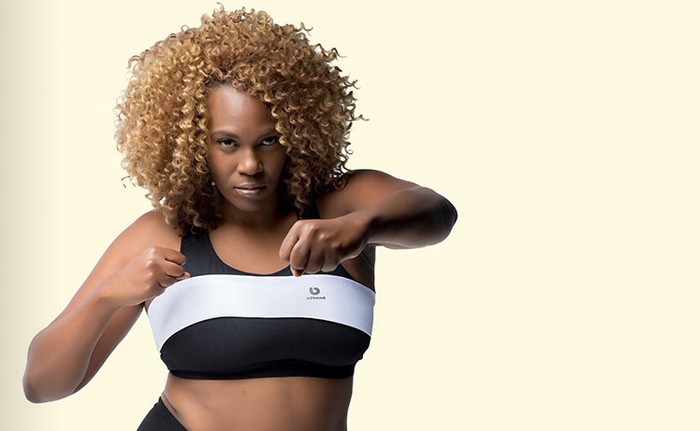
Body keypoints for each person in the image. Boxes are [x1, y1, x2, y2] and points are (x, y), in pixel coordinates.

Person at [23, 6, 457, 430]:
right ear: (194, 145)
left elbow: (437, 212)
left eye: (268, 140)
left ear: (297, 133)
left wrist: (359, 228)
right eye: (227, 143)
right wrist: (107, 296)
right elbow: (42, 385)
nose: (250, 165)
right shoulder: (163, 234)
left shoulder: (341, 205)